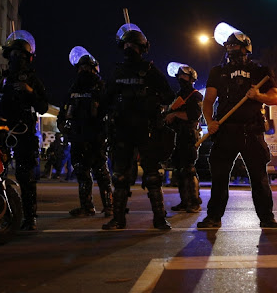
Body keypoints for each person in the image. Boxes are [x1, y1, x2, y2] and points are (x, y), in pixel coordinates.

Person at [196, 24, 277, 230]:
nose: (232, 51)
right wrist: (210, 121)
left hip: (251, 131)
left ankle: (267, 219)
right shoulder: (218, 72)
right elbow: (208, 101)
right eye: (229, 47)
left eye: (237, 47)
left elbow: (275, 98)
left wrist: (258, 96)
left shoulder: (260, 71)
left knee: (259, 178)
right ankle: (214, 217)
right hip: (225, 131)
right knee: (219, 177)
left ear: (246, 49)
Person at [102, 23, 176, 230]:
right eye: (126, 44)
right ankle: (118, 219)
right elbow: (106, 99)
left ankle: (160, 218)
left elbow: (169, 95)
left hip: (147, 129)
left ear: (142, 48)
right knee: (120, 176)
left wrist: (150, 97)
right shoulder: (117, 72)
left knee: (153, 176)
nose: (129, 49)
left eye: (133, 45)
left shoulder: (150, 71)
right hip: (123, 130)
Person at [0, 30, 48, 231]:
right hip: (0, 133)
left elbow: (43, 106)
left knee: (26, 176)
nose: (17, 58)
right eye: (14, 54)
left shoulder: (33, 81)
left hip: (24, 132)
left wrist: (30, 93)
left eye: (22, 55)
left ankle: (30, 217)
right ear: (8, 55)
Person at [58, 47, 112, 217]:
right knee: (81, 172)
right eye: (81, 68)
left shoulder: (101, 88)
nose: (84, 71)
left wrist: (107, 134)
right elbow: (63, 111)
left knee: (101, 172)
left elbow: (109, 112)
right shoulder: (73, 89)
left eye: (87, 68)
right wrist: (63, 127)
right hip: (78, 137)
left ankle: (109, 206)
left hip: (96, 137)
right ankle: (87, 207)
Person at [164, 62, 204, 213]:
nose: (181, 78)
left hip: (189, 136)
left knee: (189, 169)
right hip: (177, 137)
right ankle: (184, 201)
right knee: (179, 171)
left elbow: (194, 115)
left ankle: (194, 202)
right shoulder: (178, 96)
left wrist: (174, 115)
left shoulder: (196, 95)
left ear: (191, 78)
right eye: (180, 76)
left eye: (184, 76)